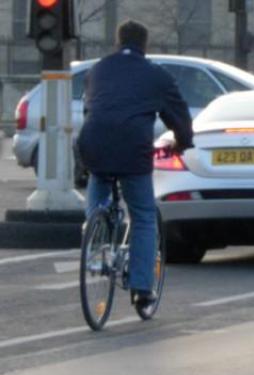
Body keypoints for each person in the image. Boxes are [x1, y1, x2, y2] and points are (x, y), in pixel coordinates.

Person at [78, 20, 193, 308]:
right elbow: (178, 116)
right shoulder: (157, 75)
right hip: (132, 150)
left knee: (99, 179)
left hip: (93, 143)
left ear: (117, 43)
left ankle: (94, 239)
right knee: (143, 216)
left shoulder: (98, 69)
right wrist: (182, 142)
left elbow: (89, 107)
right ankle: (143, 289)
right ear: (145, 45)